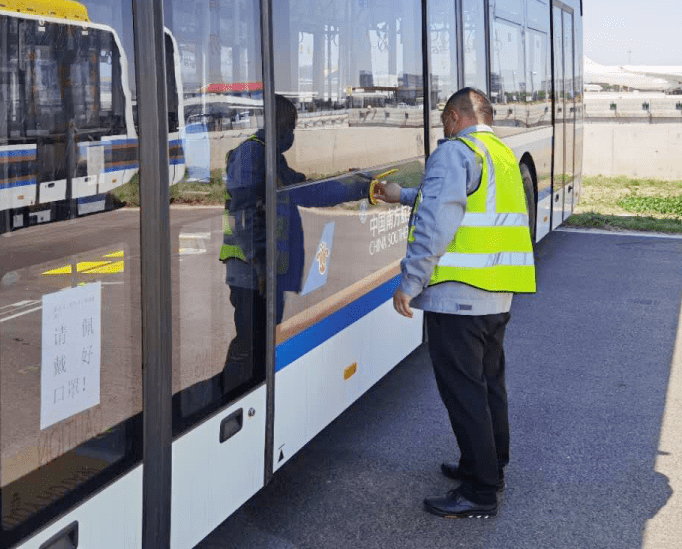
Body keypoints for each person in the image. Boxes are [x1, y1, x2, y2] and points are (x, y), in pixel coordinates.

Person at [373, 87, 535, 519]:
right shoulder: (499, 153)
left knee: (464, 394)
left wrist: (409, 282)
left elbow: (436, 223)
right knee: (488, 386)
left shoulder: (454, 152)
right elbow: (462, 204)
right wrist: (401, 195)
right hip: (498, 294)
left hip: (459, 296)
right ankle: (488, 466)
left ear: (452, 118)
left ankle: (481, 492)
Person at [217, 95, 368, 396]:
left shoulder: (271, 156)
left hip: (266, 266)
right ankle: (231, 397)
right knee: (249, 340)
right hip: (251, 267)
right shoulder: (251, 155)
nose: (292, 134)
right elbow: (245, 215)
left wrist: (355, 184)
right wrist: (260, 263)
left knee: (263, 338)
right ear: (277, 125)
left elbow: (305, 191)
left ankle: (255, 392)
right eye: (291, 126)